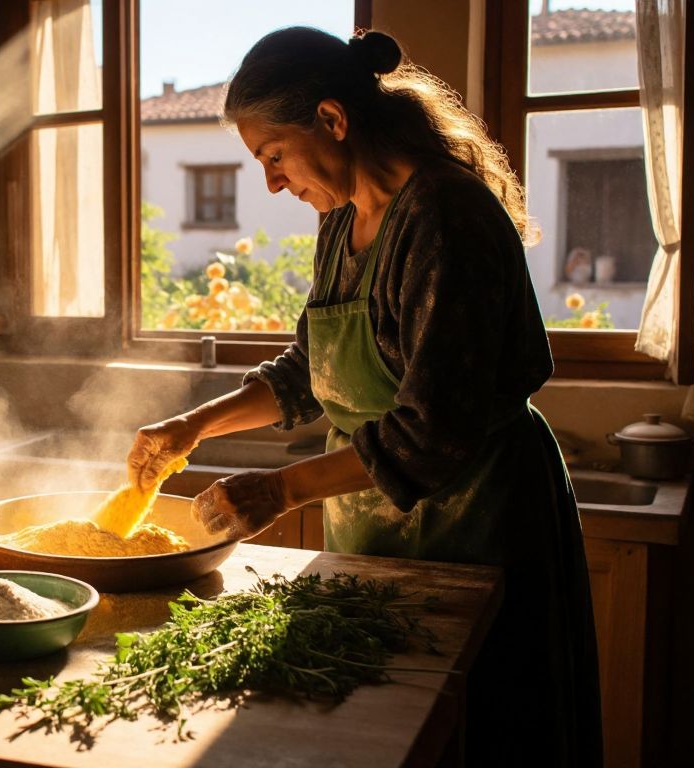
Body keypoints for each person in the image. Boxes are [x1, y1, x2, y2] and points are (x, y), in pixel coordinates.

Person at [126, 27, 602, 766]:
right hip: (375, 529)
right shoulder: (342, 221)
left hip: (480, 523)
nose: (273, 184)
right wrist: (195, 424)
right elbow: (311, 368)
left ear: (333, 120)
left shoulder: (446, 218)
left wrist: (278, 491)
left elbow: (430, 434)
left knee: (487, 731)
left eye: (273, 156)